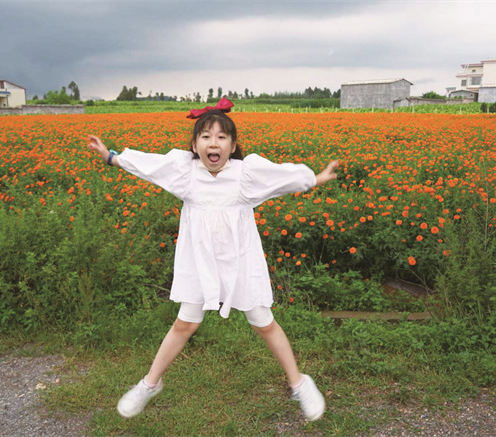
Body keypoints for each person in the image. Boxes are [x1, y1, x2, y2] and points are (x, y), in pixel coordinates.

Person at [86, 98, 339, 422]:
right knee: (185, 323)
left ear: (232, 145)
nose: (213, 143)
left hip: (241, 261)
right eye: (205, 136)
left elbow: (280, 177)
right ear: (195, 145)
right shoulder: (185, 173)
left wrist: (314, 178)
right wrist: (111, 157)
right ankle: (150, 384)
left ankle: (299, 383)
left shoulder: (245, 174)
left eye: (221, 137)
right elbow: (152, 166)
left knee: (263, 322)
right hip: (199, 262)